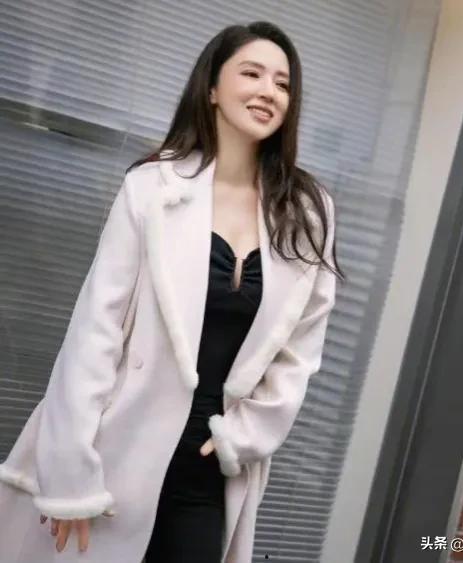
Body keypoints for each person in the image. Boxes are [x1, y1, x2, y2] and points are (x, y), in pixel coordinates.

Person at [0, 20, 344, 563]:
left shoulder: (307, 211)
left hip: (211, 463)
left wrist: (243, 436)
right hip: (117, 446)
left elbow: (300, 351)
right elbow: (95, 332)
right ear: (212, 88)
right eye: (251, 74)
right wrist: (71, 472)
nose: (269, 91)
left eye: (282, 83)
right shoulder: (153, 188)